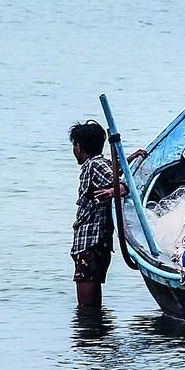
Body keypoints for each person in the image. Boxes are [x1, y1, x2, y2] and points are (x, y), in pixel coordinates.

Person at [69, 120, 124, 308]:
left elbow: (123, 185)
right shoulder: (100, 163)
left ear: (78, 146)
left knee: (87, 309)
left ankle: (90, 336)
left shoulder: (94, 165)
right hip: (94, 242)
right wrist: (129, 159)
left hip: (90, 243)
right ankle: (97, 335)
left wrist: (113, 192)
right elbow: (117, 175)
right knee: (91, 307)